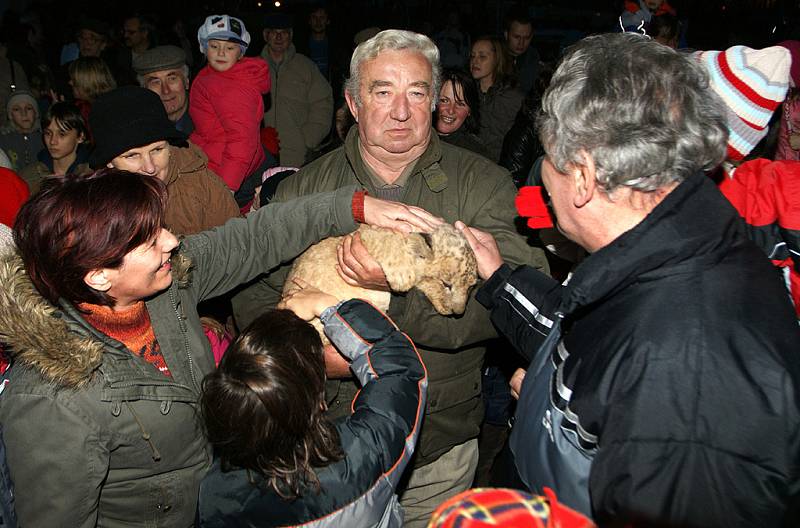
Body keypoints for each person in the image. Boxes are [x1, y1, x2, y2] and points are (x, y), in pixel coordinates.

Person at [456, 32, 800, 527]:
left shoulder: (692, 378)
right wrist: (498, 279)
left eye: (548, 158)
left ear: (582, 176)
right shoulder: (665, 252)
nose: (541, 179)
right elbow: (599, 341)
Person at [0, 167, 440, 527]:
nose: (172, 241)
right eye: (151, 239)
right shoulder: (50, 399)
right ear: (99, 277)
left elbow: (256, 236)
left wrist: (352, 206)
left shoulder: (167, 283)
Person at [232, 29, 547, 527]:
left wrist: (387, 309)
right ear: (354, 103)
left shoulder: (483, 185)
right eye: (383, 92)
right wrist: (310, 357)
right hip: (329, 437)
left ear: (436, 100)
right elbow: (253, 295)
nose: (401, 111)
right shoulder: (305, 189)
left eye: (417, 92)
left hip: (436, 441)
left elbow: (516, 302)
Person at [199, 288, 427, 527]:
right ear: (317, 402)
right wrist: (327, 305)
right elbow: (400, 370)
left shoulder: (215, 494)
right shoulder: (363, 456)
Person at [90, 86, 240, 237]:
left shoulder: (203, 186)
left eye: (157, 150)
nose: (150, 168)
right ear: (109, 161)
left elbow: (238, 247)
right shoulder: (92, 209)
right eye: (132, 155)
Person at [189, 14, 270, 207]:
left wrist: (227, 187)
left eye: (230, 47)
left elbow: (242, 139)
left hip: (229, 174)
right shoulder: (212, 76)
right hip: (213, 164)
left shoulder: (234, 86)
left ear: (240, 53)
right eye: (214, 46)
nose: (221, 53)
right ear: (203, 48)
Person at [261, 13, 333, 167]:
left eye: (284, 32)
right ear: (266, 35)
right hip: (258, 157)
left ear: (291, 35)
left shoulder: (306, 67)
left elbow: (323, 103)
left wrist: (308, 139)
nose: (279, 37)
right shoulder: (253, 68)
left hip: (297, 158)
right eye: (274, 32)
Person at [470, 36, 524, 162]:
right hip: (470, 165)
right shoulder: (465, 91)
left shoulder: (513, 97)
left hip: (499, 167)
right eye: (472, 56)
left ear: (497, 59)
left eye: (482, 56)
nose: (475, 61)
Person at [19, 101, 89, 193]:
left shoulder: (92, 177)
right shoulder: (29, 176)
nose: (52, 141)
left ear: (80, 137)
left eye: (62, 134)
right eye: (48, 133)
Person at [133, 45, 194, 134]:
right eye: (156, 82)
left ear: (186, 82)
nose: (166, 90)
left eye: (172, 79)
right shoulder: (139, 128)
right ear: (144, 89)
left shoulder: (209, 119)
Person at [435, 68, 488, 157]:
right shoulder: (414, 138)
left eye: (460, 104)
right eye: (444, 100)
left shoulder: (475, 154)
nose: (451, 110)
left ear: (469, 111)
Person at [0, 90, 43, 171]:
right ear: (10, 116)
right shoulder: (3, 141)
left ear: (36, 113)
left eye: (29, 108)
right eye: (17, 109)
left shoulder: (47, 138)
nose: (24, 113)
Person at [504, 7, 538, 94]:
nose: (521, 43)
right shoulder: (492, 56)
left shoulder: (535, 60)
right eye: (516, 37)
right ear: (506, 34)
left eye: (526, 38)